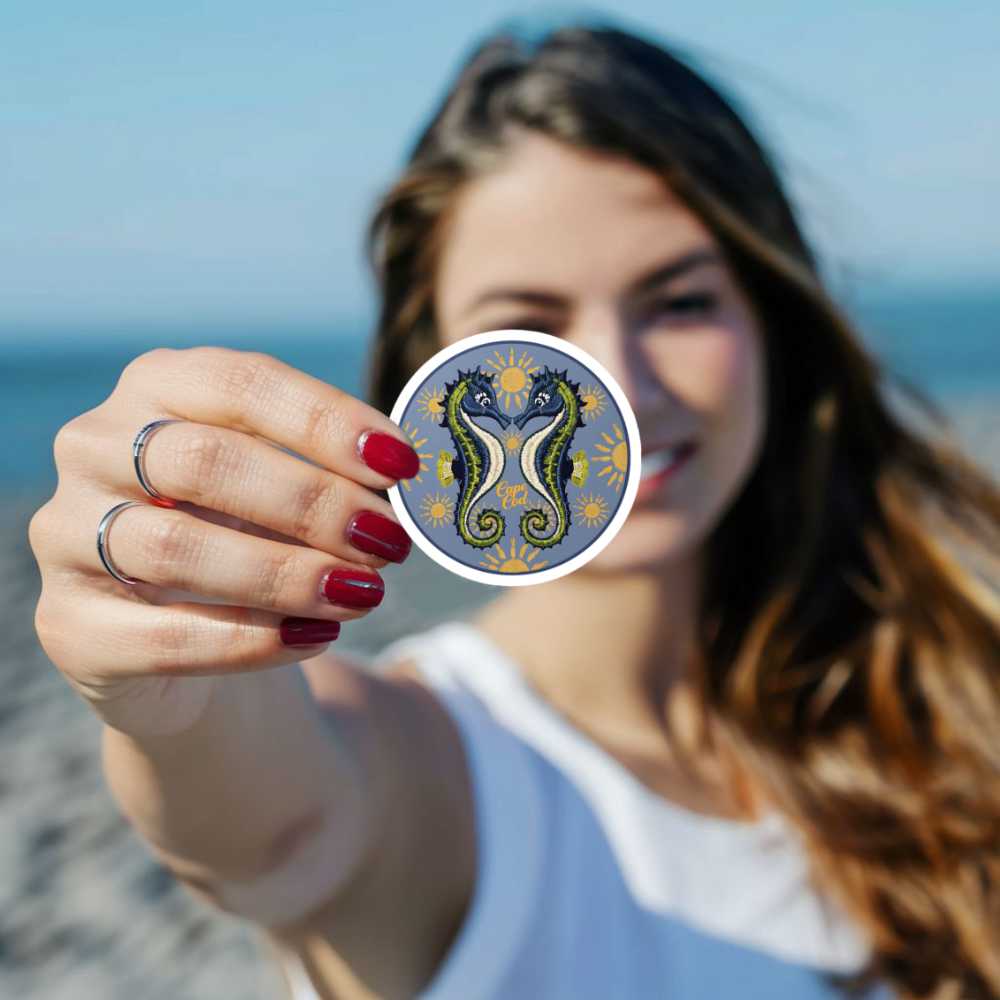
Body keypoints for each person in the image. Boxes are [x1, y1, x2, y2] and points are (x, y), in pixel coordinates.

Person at [27, 19, 999, 1000]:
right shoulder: (426, 766)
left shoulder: (941, 693)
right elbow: (273, 832)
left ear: (770, 323)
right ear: (429, 374)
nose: (617, 382)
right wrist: (167, 683)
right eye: (528, 329)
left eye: (679, 302)